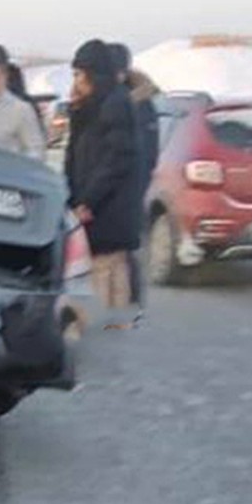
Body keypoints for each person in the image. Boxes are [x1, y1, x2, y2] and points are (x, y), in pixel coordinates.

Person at [65, 39, 141, 327]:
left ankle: (106, 328)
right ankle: (112, 325)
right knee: (107, 268)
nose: (76, 82)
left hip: (107, 206)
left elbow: (116, 160)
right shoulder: (100, 103)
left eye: (79, 75)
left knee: (104, 268)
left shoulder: (115, 104)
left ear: (93, 75)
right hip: (101, 203)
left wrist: (88, 201)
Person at [109, 43, 160, 315]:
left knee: (124, 245)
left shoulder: (139, 104)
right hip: (113, 182)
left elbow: (147, 152)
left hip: (128, 184)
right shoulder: (113, 98)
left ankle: (129, 301)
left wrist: (133, 184)